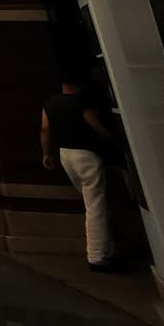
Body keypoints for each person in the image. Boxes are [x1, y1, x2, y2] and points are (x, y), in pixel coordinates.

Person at [42, 60, 125, 272]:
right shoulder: (80, 104)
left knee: (91, 203)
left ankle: (106, 248)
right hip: (86, 156)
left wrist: (46, 153)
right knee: (96, 205)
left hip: (65, 155)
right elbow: (98, 129)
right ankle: (98, 256)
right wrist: (118, 141)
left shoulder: (50, 103)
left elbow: (44, 129)